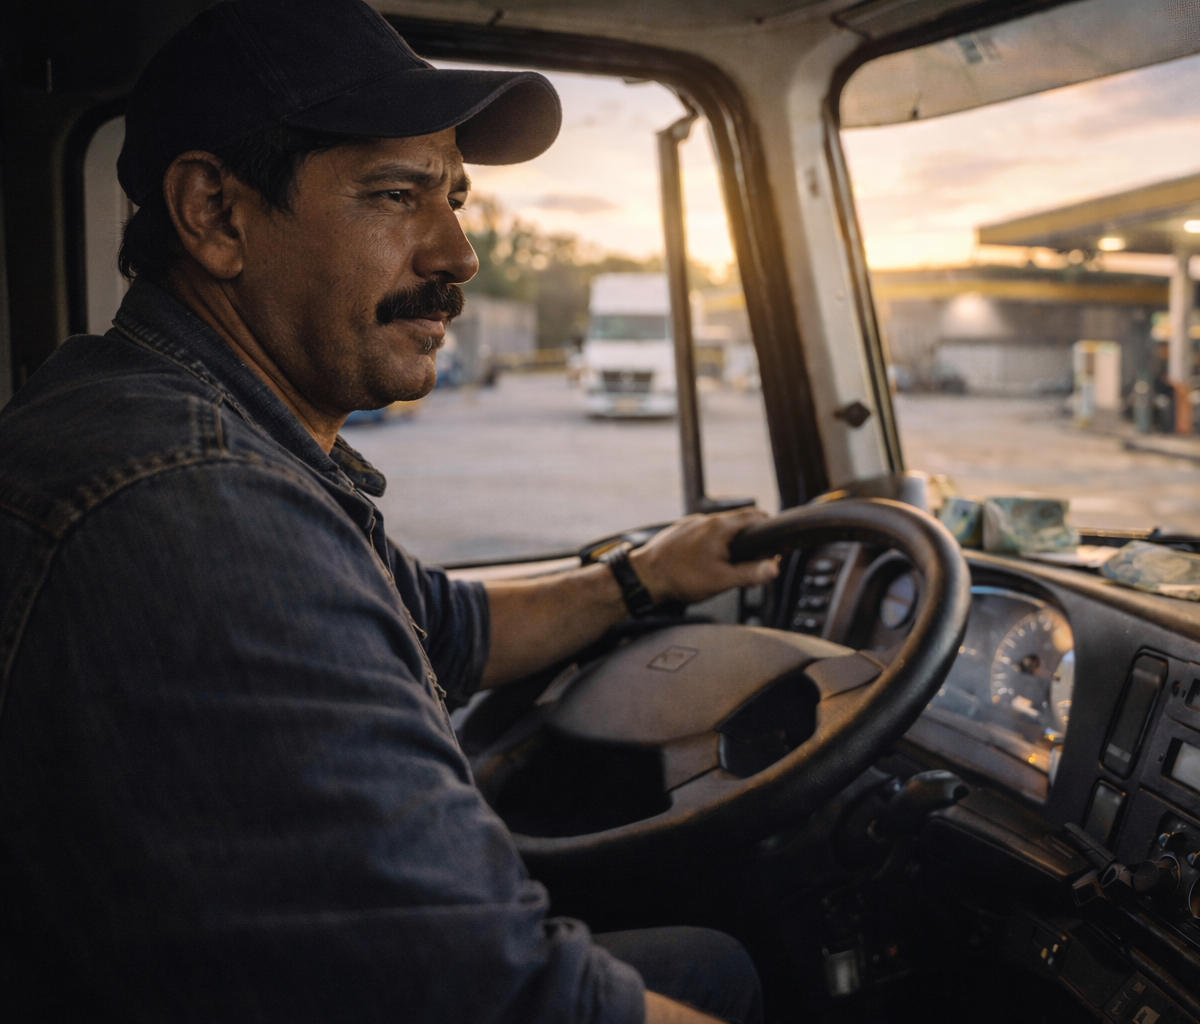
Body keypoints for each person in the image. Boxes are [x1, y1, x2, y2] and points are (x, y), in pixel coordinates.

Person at [0, 2, 776, 1021]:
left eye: (454, 198)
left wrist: (644, 576)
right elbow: (498, 998)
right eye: (398, 195)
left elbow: (445, 627)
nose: (457, 253)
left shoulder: (167, 415)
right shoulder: (199, 510)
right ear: (216, 215)